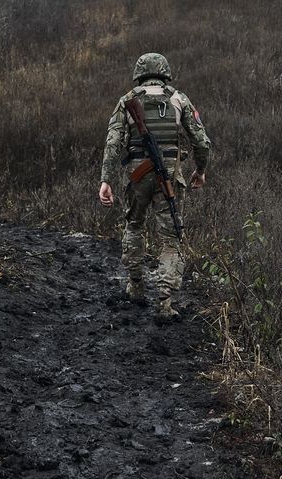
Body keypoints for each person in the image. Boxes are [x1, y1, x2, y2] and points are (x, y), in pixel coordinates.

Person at [98, 52, 211, 319]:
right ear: (165, 73)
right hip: (169, 176)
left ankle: (135, 287)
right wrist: (200, 170)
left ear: (139, 74)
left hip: (136, 175)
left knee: (134, 226)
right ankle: (164, 301)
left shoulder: (127, 100)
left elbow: (113, 144)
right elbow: (201, 141)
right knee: (170, 238)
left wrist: (106, 180)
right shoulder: (179, 99)